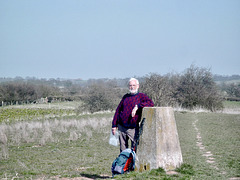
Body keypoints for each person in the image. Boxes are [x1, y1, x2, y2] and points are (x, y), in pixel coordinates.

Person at [112, 78, 154, 152]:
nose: (132, 87)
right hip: (121, 127)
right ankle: (124, 163)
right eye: (130, 85)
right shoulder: (125, 97)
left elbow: (151, 103)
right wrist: (114, 125)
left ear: (138, 86)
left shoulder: (141, 96)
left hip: (133, 128)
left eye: (134, 85)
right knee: (123, 150)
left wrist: (138, 106)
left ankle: (133, 163)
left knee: (135, 149)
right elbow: (118, 110)